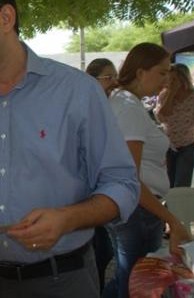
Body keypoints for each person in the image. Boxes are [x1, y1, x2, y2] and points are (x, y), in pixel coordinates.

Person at [0, 0, 140, 298]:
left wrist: (67, 219)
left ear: (5, 18)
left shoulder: (78, 92)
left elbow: (123, 185)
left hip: (62, 281)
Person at [105, 43, 191, 298]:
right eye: (162, 73)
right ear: (141, 72)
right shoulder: (129, 107)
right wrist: (171, 219)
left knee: (128, 278)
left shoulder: (124, 100)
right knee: (137, 284)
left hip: (136, 208)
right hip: (139, 210)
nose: (166, 81)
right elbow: (130, 177)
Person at [85, 58, 118, 293]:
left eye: (115, 77)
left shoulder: (115, 105)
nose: (114, 82)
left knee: (103, 250)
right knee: (100, 250)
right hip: (89, 196)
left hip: (103, 195)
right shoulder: (86, 108)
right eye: (109, 78)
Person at [156, 63, 194, 187]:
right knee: (168, 185)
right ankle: (168, 207)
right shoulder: (164, 95)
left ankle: (180, 206)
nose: (170, 82)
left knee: (181, 184)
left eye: (174, 79)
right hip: (168, 146)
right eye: (169, 79)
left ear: (183, 79)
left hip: (187, 146)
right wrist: (171, 94)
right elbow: (161, 118)